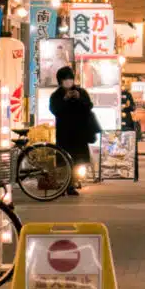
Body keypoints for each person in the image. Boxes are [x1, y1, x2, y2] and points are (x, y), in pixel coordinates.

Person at [48, 65, 96, 195]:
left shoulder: (81, 92)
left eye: (70, 78)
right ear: (60, 81)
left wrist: (79, 97)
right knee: (64, 160)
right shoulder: (56, 95)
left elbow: (89, 106)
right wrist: (65, 99)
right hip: (64, 132)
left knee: (78, 160)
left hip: (79, 132)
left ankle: (72, 184)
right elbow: (54, 110)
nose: (68, 81)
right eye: (65, 79)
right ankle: (64, 185)